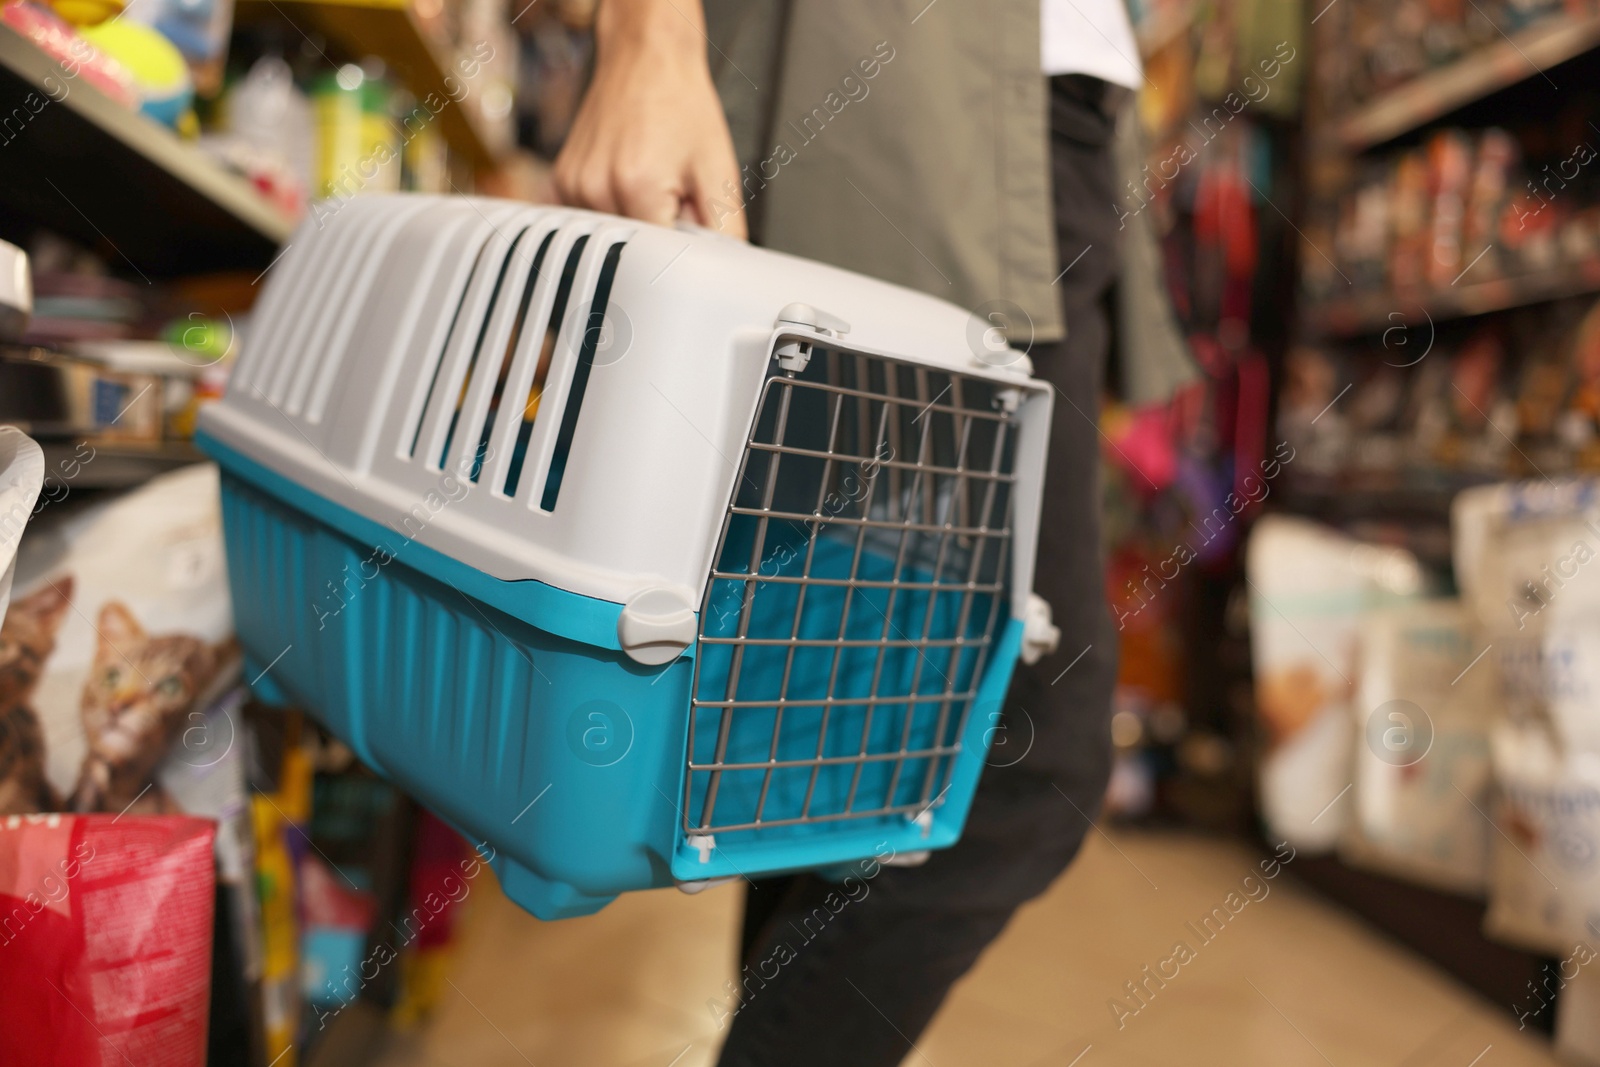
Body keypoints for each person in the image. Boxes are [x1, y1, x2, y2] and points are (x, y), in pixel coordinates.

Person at [553, 2, 1150, 1062]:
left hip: (1057, 127)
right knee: (1026, 761)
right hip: (905, 124)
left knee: (842, 736)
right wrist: (646, 35)